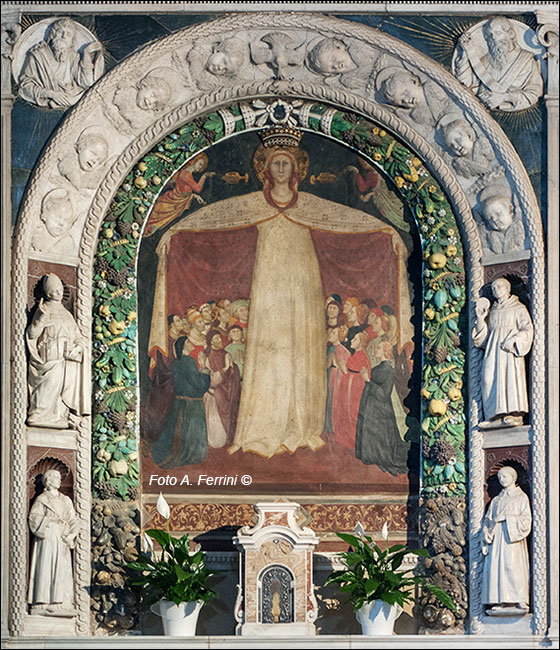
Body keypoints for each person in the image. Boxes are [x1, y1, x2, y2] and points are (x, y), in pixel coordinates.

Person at [152, 128, 411, 457]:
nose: (281, 170)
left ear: (297, 169)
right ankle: (260, 424)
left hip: (303, 278)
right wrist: (176, 230)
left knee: (302, 343)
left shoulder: (309, 206)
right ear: (265, 169)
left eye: (286, 164)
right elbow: (218, 214)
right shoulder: (254, 204)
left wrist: (387, 231)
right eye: (275, 164)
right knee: (268, 343)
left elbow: (348, 218)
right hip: (269, 280)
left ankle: (300, 423)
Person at [26, 274, 88, 429]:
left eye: (60, 289)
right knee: (49, 384)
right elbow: (32, 334)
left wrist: (79, 348)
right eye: (54, 289)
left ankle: (59, 415)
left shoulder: (67, 315)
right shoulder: (43, 309)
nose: (58, 292)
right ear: (47, 293)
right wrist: (40, 319)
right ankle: (39, 414)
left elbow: (78, 337)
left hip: (66, 358)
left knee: (61, 388)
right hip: (49, 356)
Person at [473, 277, 533, 428]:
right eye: (493, 288)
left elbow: (527, 329)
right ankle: (494, 416)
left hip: (509, 354)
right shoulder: (492, 310)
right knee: (488, 379)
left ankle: (514, 415)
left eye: (499, 287)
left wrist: (515, 339)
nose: (495, 290)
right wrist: (481, 319)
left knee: (510, 380)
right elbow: (484, 339)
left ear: (508, 289)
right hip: (493, 352)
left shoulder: (518, 308)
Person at [453, 16, 543, 112]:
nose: (494, 38)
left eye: (498, 33)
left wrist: (505, 97)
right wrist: (466, 52)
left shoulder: (526, 60)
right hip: (481, 113)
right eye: (490, 35)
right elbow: (464, 84)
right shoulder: (484, 61)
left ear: (511, 34)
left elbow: (534, 94)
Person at [151, 336, 211, 468]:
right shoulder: (189, 361)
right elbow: (199, 384)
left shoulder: (176, 363)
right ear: (184, 346)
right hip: (192, 405)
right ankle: (191, 456)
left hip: (179, 404)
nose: (192, 343)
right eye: (189, 342)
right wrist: (204, 368)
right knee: (189, 433)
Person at [18, 17, 102, 109]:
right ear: (52, 34)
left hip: (73, 97)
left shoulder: (73, 57)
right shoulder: (37, 56)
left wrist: (86, 55)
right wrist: (51, 94)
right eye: (60, 31)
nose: (64, 36)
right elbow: (25, 88)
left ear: (71, 41)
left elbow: (87, 83)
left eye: (68, 34)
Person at [28, 469, 79, 616]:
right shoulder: (42, 499)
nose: (59, 480)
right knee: (45, 566)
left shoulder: (65, 500)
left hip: (62, 537)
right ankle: (43, 602)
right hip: (48, 536)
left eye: (59, 477)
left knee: (62, 568)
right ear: (47, 481)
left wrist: (72, 535)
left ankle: (61, 601)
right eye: (55, 477)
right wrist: (48, 521)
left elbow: (73, 519)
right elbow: (34, 518)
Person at [481, 466, 531, 614]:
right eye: (500, 478)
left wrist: (507, 519)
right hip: (497, 540)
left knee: (512, 567)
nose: (502, 480)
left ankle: (519, 599)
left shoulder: (521, 497)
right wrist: (486, 530)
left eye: (505, 477)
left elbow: (526, 520)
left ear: (513, 478)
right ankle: (500, 600)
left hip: (512, 539)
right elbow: (488, 520)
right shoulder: (496, 500)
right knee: (498, 569)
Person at [355, 341, 410, 474]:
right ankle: (370, 454)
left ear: (385, 351)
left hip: (381, 409)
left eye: (379, 347)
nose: (376, 349)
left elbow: (384, 394)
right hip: (372, 407)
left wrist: (367, 380)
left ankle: (378, 456)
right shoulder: (378, 367)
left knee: (380, 434)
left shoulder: (389, 371)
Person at [145, 153, 214, 234]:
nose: (200, 167)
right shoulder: (186, 174)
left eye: (202, 166)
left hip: (178, 204)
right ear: (195, 160)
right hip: (172, 202)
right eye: (200, 164)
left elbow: (185, 191)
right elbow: (197, 188)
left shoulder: (188, 174)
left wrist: (193, 196)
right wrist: (204, 176)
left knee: (160, 223)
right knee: (155, 221)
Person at [332, 331, 371, 450]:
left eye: (355, 339)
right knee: (345, 412)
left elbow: (365, 374)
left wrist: (345, 370)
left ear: (361, 343)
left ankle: (353, 441)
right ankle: (345, 439)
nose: (351, 341)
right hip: (348, 388)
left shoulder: (363, 356)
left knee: (353, 414)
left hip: (355, 390)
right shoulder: (355, 355)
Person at [203, 329, 242, 447]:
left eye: (219, 338)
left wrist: (232, 367)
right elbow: (210, 379)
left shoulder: (226, 354)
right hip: (214, 395)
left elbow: (233, 373)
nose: (219, 340)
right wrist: (224, 370)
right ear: (210, 341)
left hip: (227, 392)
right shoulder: (207, 357)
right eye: (216, 338)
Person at [31, 189, 78, 258]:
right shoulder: (35, 234)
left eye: (67, 220)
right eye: (58, 216)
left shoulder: (67, 244)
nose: (62, 223)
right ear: (45, 215)